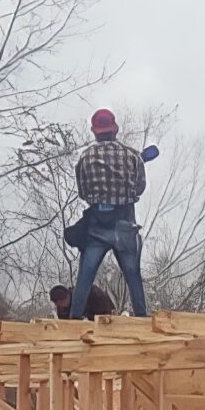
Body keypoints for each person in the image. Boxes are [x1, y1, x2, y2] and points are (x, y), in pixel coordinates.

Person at [67, 108, 150, 318]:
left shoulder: (84, 158)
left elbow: (83, 192)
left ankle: (73, 321)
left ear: (94, 132)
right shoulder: (132, 157)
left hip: (96, 227)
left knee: (85, 277)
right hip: (124, 226)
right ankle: (142, 318)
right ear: (116, 130)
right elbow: (140, 187)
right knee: (132, 274)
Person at [49, 282, 120, 318]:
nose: (63, 304)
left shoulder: (91, 292)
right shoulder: (62, 311)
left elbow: (108, 314)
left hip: (103, 317)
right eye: (59, 304)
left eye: (64, 299)